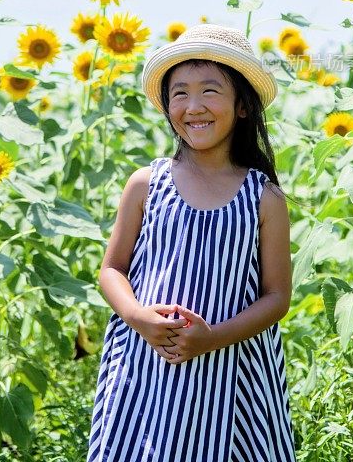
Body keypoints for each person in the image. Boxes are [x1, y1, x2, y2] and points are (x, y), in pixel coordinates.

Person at [87, 24, 297, 462]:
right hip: (146, 372)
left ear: (242, 105)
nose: (193, 106)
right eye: (179, 93)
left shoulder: (264, 199)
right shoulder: (146, 184)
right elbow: (112, 270)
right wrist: (136, 315)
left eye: (210, 91)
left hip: (233, 376)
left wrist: (211, 338)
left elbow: (277, 296)